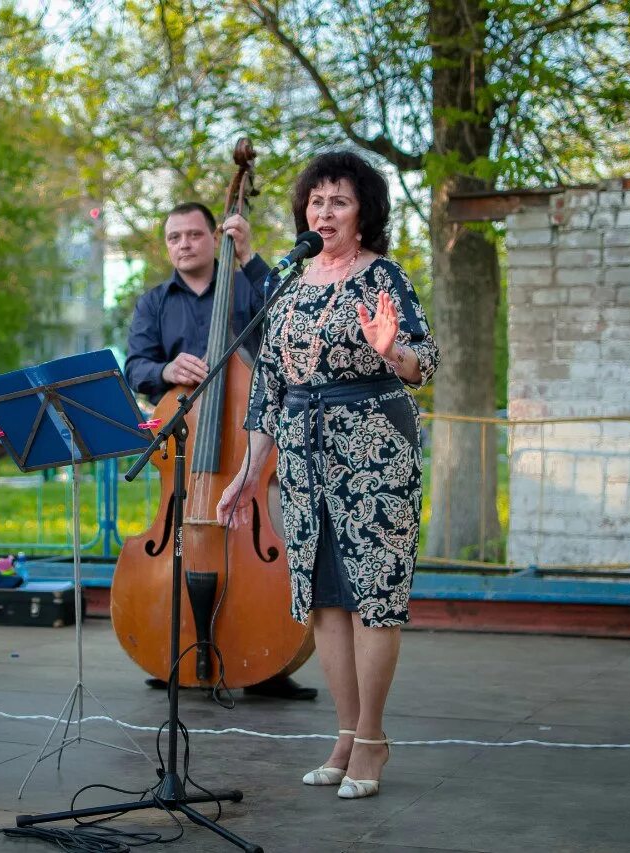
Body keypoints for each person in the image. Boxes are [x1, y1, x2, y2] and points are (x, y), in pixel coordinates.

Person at [216, 150, 439, 799]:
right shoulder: (286, 283)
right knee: (324, 598)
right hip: (305, 456)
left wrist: (390, 350)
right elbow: (267, 387)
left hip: (374, 447)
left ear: (365, 211)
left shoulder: (385, 277)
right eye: (316, 201)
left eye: (338, 200)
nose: (325, 211)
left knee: (374, 595)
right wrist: (249, 473)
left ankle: (372, 738)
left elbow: (426, 362)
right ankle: (346, 732)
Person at [124, 201, 318, 702]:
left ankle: (265, 657)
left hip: (250, 442)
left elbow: (287, 312)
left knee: (275, 539)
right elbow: (135, 367)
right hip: (184, 451)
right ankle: (175, 649)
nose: (184, 244)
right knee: (183, 531)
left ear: (215, 238)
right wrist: (165, 372)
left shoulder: (248, 286)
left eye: (193, 234)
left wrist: (250, 256)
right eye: (174, 237)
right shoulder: (153, 304)